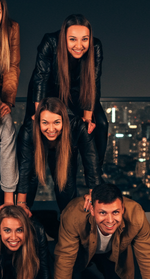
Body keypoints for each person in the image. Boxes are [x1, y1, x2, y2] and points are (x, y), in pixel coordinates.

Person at [24, 13, 107, 168]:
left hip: (79, 93)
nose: (79, 45)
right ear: (64, 37)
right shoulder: (49, 42)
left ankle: (96, 174)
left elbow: (93, 83)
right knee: (36, 129)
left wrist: (87, 118)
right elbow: (40, 78)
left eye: (85, 39)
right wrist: (39, 112)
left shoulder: (96, 47)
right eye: (73, 39)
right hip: (47, 94)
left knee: (101, 123)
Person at [15, 98, 101, 234]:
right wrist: (20, 205)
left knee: (66, 185)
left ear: (64, 121)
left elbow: (91, 160)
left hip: (63, 154)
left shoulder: (78, 126)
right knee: (30, 178)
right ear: (38, 122)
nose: (51, 129)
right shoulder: (28, 130)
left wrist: (93, 194)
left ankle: (69, 229)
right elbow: (24, 168)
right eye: (45, 123)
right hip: (37, 153)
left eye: (56, 122)